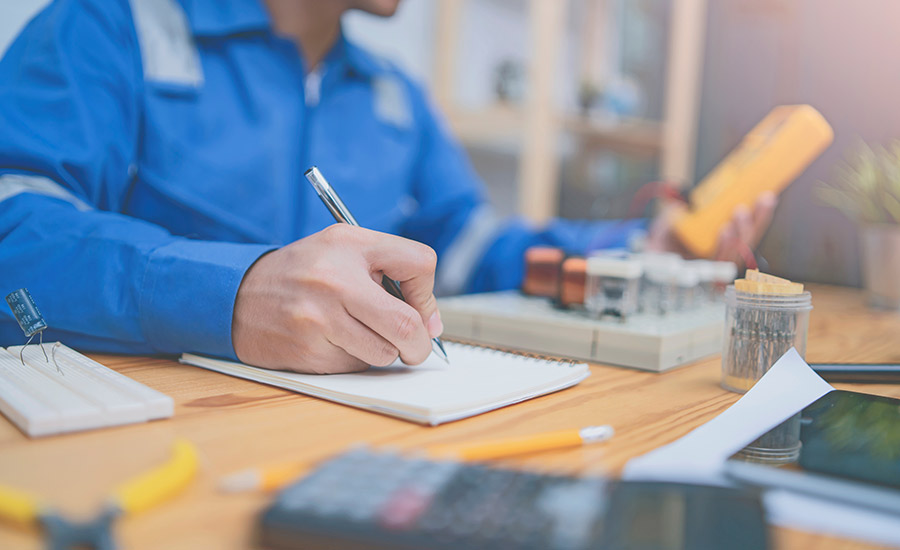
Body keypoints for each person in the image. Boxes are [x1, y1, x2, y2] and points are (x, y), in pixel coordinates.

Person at [0, 0, 774, 373]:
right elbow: (16, 233)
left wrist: (640, 246)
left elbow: (471, 246)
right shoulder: (101, 27)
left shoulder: (393, 93)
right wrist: (230, 293)